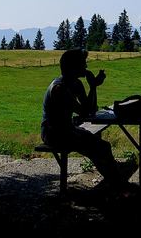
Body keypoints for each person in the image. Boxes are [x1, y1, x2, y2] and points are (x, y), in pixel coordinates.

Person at [41, 48, 126, 189]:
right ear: (73, 67)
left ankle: (115, 183)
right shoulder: (59, 89)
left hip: (67, 130)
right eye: (83, 63)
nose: (86, 67)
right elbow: (84, 112)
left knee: (100, 145)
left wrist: (93, 87)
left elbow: (91, 110)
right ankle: (117, 185)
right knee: (101, 147)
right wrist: (93, 86)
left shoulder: (76, 84)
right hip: (53, 133)